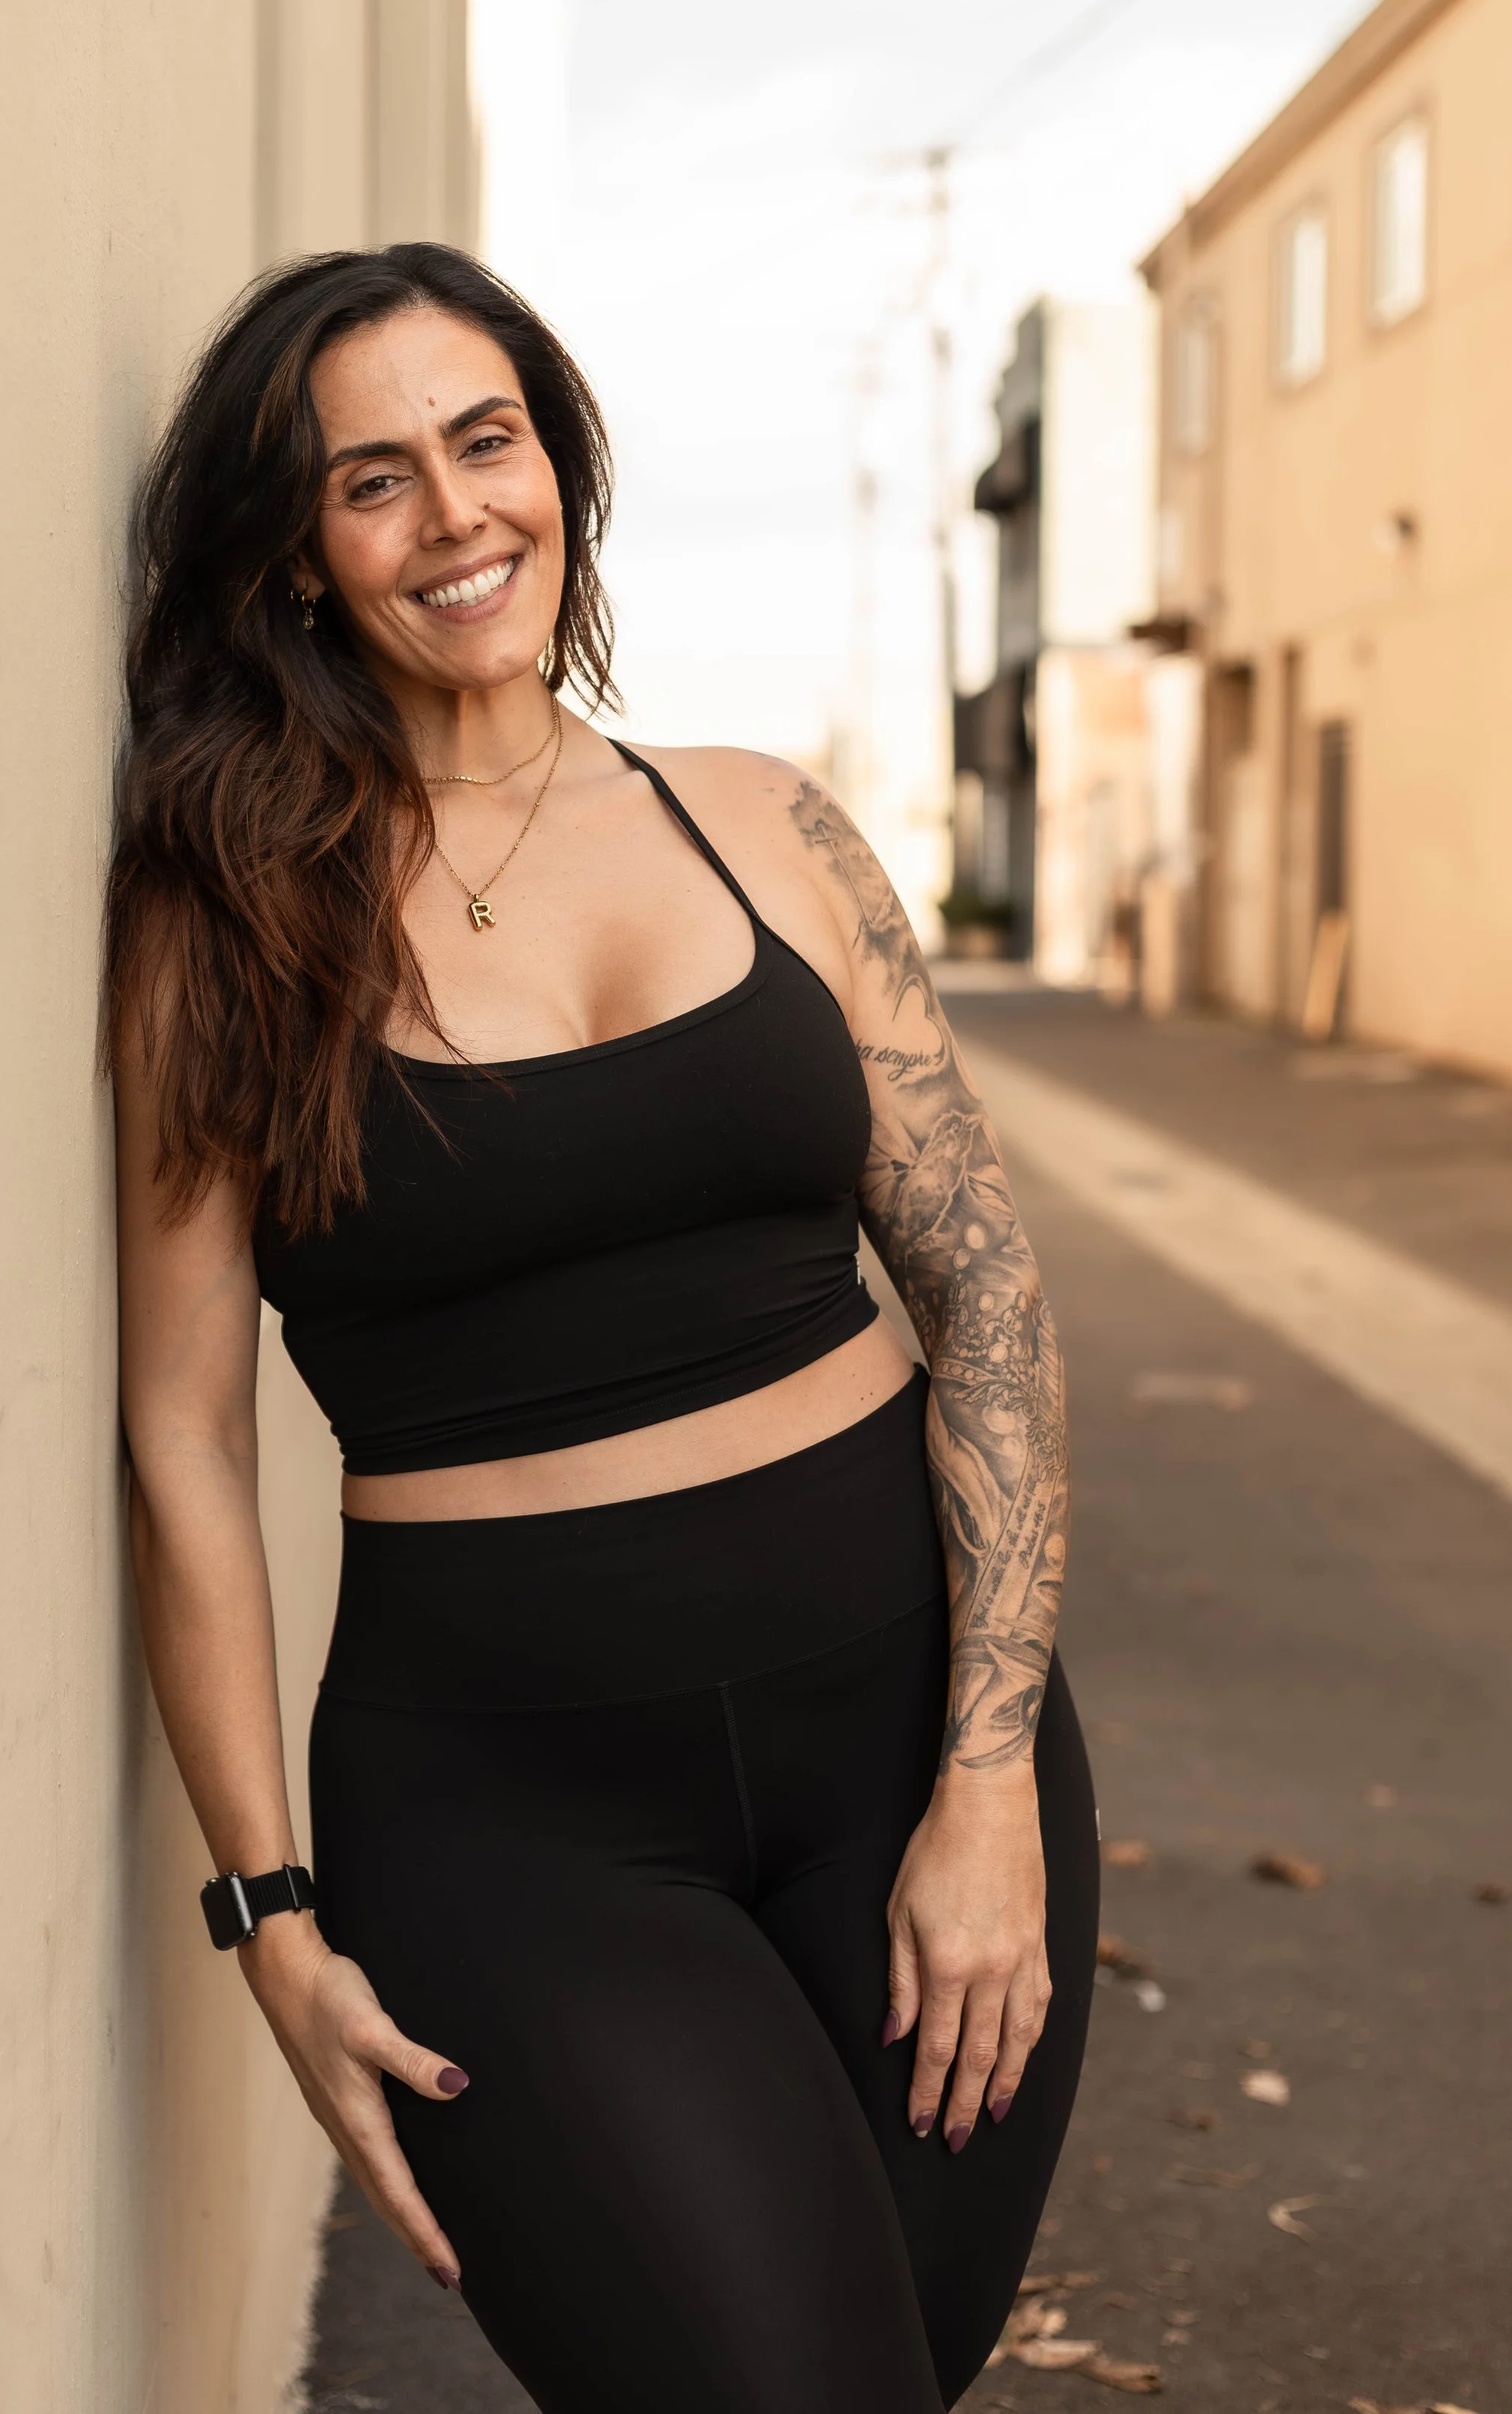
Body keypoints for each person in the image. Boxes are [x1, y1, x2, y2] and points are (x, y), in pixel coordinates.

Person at [107, 243, 1097, 2413]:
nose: (457, 514)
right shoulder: (228, 916)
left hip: (908, 1755)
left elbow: (985, 1297)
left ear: (560, 463)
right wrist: (270, 1922)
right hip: (508, 1823)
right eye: (374, 478)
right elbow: (180, 1435)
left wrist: (991, 1773)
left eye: (489, 441)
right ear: (296, 548)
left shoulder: (766, 825)